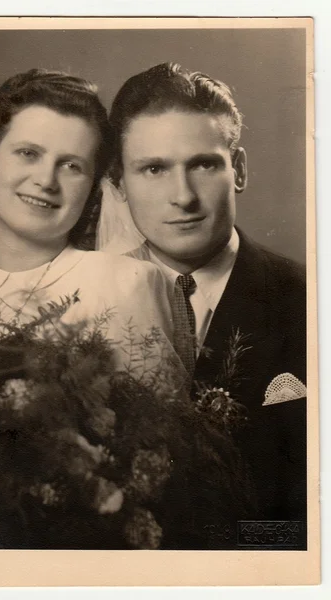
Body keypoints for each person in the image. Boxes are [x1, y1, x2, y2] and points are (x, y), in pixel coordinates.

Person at [102, 62, 307, 532]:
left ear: (238, 170)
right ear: (118, 186)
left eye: (204, 164)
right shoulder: (83, 306)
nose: (183, 196)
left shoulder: (309, 302)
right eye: (154, 168)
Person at [0, 68, 177, 389]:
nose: (45, 181)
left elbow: (153, 431)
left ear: (92, 187)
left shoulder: (123, 283)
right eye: (28, 153)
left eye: (71, 166)